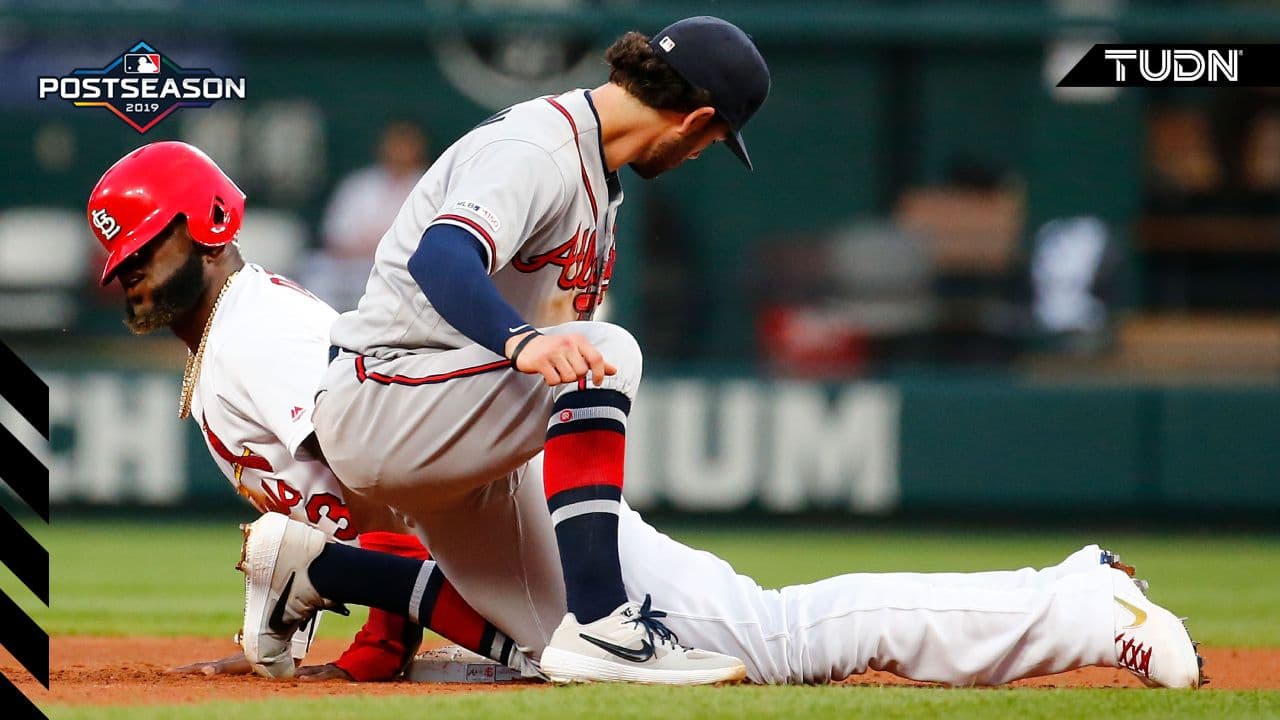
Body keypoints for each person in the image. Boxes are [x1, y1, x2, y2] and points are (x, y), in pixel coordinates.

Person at [87, 139, 1204, 689]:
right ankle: (1072, 590)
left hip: (511, 516)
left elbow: (377, 480)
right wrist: (337, 608)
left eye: (147, 247)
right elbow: (371, 508)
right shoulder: (231, 339)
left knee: (783, 638)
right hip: (492, 534)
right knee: (591, 658)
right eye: (120, 264)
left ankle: (1078, 606)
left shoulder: (255, 330)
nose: (131, 273)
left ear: (211, 224)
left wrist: (339, 596)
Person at [302, 120, 431, 311]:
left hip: (400, 268)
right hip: (352, 264)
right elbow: (334, 234)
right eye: (395, 143)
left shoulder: (429, 185)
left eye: (407, 144)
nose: (400, 150)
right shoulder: (360, 183)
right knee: (316, 268)